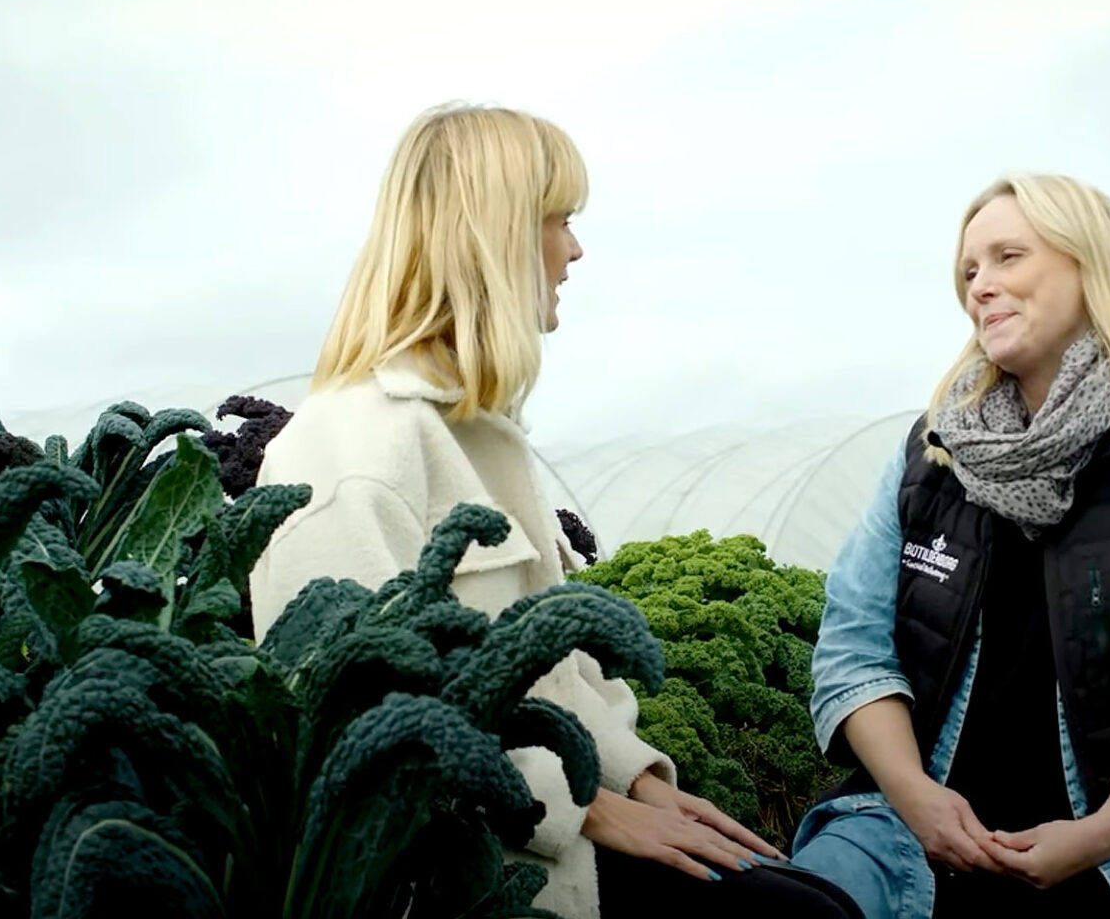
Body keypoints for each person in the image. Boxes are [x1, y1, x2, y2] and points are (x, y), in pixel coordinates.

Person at [249, 103, 861, 919]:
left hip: (558, 836)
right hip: (490, 872)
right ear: (492, 235)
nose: (574, 249)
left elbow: (550, 680)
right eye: (558, 220)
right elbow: (365, 727)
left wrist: (642, 781)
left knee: (816, 900)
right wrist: (593, 808)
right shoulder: (352, 448)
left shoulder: (469, 434)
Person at [790, 174, 1110, 919]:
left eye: (1008, 257)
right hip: (914, 828)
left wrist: (1097, 837)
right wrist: (918, 799)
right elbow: (853, 650)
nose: (981, 287)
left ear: (1092, 266)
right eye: (969, 271)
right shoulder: (933, 451)